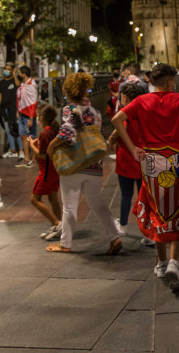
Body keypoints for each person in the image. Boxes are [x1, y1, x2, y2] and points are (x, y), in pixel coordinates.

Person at [112, 63, 179, 293]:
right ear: (170, 82)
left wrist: (133, 148)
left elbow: (117, 119)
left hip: (151, 161)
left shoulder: (142, 101)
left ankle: (162, 263)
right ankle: (174, 261)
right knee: (175, 209)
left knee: (156, 209)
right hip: (173, 159)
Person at [46, 72, 122, 254]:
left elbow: (67, 133)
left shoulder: (68, 109)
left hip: (74, 163)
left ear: (69, 92)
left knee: (69, 206)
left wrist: (51, 146)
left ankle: (65, 243)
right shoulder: (95, 112)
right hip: (94, 163)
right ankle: (114, 237)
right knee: (97, 203)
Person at [107, 83, 145, 237]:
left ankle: (123, 225)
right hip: (142, 159)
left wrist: (111, 139)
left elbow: (115, 135)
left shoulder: (124, 115)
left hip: (126, 159)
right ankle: (146, 228)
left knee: (126, 194)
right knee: (144, 196)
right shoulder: (144, 113)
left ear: (126, 98)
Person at [28, 104, 62, 240]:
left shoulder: (44, 133)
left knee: (34, 199)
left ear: (41, 117)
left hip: (46, 170)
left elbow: (43, 155)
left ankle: (56, 223)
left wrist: (31, 145)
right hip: (55, 169)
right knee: (53, 197)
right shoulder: (53, 130)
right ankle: (60, 225)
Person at [0, 62, 23, 159]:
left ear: (12, 70)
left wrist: (15, 74)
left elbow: (18, 85)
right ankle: (12, 150)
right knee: (8, 129)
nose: (6, 71)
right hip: (4, 109)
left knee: (17, 129)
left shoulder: (15, 79)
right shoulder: (1, 83)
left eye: (8, 69)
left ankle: (21, 150)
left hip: (14, 109)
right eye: (5, 69)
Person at [16, 65, 38, 167]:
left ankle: (33, 160)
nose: (18, 74)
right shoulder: (23, 84)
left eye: (19, 73)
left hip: (29, 115)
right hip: (21, 114)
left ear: (24, 74)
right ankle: (26, 158)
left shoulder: (31, 85)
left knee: (31, 137)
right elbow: (20, 99)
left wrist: (31, 118)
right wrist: (18, 110)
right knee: (23, 136)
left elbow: (33, 103)